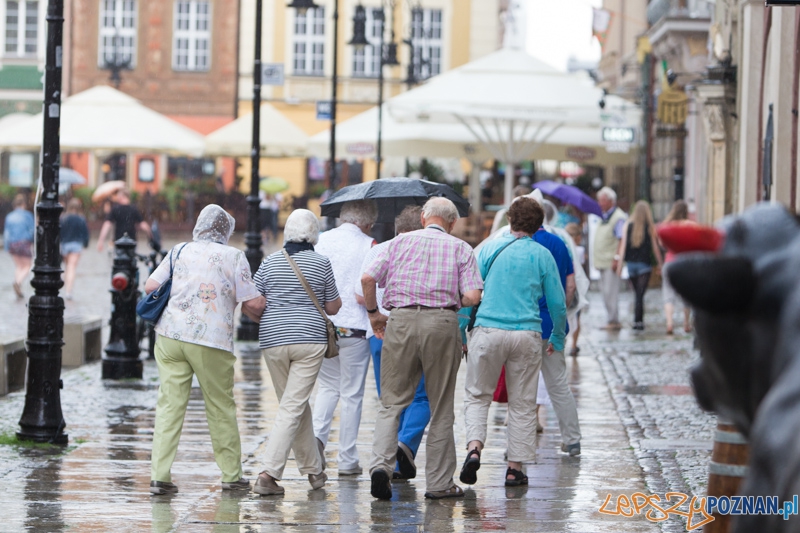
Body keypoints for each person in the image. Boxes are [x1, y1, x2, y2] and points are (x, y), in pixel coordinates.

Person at [362, 197, 483, 501]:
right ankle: (439, 483)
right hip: (441, 322)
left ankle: (380, 466)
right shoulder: (461, 249)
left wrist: (374, 313)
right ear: (452, 223)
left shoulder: (397, 243)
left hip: (400, 320)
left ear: (423, 218)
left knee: (391, 403)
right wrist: (451, 293)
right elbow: (472, 295)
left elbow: (367, 278)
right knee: (440, 404)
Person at [145, 204, 266, 496]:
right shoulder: (234, 256)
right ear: (226, 231)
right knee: (220, 406)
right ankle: (231, 475)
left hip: (170, 335)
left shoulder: (178, 250)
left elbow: (150, 286)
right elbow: (253, 305)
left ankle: (159, 477)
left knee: (170, 405)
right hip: (210, 340)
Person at [460, 197, 566, 488]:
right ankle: (514, 468)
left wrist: (460, 331)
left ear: (509, 220)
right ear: (538, 225)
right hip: (527, 335)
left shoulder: (488, 249)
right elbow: (557, 302)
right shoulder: (543, 254)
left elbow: (470, 295)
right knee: (522, 402)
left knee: (478, 395)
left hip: (487, 331)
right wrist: (557, 335)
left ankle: (474, 449)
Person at [252, 209, 342, 495]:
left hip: (273, 341)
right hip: (309, 340)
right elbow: (333, 307)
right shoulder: (321, 262)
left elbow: (254, 303)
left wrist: (273, 317)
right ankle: (268, 474)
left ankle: (315, 472)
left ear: (286, 232)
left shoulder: (269, 263)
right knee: (293, 405)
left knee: (293, 405)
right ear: (314, 233)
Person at [354, 205, 429, 480]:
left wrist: (376, 314)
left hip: (379, 333)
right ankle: (405, 446)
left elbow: (360, 293)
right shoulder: (426, 251)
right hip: (413, 328)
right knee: (422, 395)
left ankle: (387, 463)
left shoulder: (378, 250)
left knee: (390, 399)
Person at [312, 200, 377, 477]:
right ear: (367, 222)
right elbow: (363, 292)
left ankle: (316, 442)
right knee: (352, 393)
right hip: (354, 328)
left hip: (322, 327)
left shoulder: (320, 241)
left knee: (327, 387)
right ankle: (348, 459)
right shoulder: (370, 244)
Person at [531, 199, 582, 457]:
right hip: (552, 323)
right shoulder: (559, 244)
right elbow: (570, 286)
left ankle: (520, 442)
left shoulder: (513, 243)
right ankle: (572, 439)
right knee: (559, 384)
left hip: (524, 324)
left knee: (522, 387)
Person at [616, 200, 663, 330]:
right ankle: (638, 321)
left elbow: (623, 248)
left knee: (637, 294)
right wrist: (660, 264)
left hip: (631, 265)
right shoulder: (650, 227)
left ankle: (637, 321)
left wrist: (620, 266)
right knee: (640, 294)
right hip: (644, 265)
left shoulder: (627, 225)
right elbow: (655, 248)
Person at [593, 187, 627, 330]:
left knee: (611, 292)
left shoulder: (618, 217)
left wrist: (617, 258)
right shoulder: (604, 216)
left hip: (610, 261)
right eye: (599, 200)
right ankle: (611, 318)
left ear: (611, 201)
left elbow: (621, 239)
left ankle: (613, 320)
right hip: (602, 261)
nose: (600, 203)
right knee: (605, 292)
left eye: (603, 200)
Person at [659, 200, 693, 334]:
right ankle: (686, 323)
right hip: (685, 263)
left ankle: (669, 323)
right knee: (687, 295)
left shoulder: (667, 225)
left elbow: (661, 243)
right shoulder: (690, 225)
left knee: (668, 295)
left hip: (670, 261)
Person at [4, 193, 34, 299]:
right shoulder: (27, 215)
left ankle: (18, 286)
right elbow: (32, 230)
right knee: (27, 266)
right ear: (24, 204)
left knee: (19, 266)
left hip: (12, 243)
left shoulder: (9, 216)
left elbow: (7, 233)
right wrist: (33, 241)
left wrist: (7, 247)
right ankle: (18, 282)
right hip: (24, 242)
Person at [60, 198, 90, 300]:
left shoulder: (63, 218)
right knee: (71, 268)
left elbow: (60, 233)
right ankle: (69, 290)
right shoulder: (81, 219)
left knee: (67, 267)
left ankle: (65, 287)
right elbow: (85, 233)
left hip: (65, 245)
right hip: (76, 245)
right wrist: (85, 243)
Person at [565, 223, 585, 355]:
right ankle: (574, 344)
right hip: (577, 286)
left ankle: (564, 341)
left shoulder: (563, 248)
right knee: (577, 316)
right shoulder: (580, 250)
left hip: (565, 284)